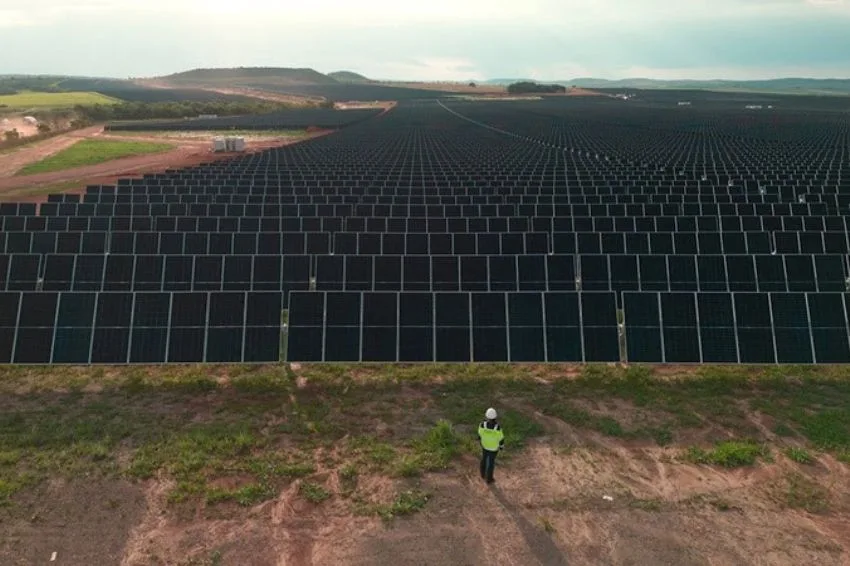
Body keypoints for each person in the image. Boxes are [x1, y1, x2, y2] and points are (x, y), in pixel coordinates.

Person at [478, 407, 504, 484]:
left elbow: (479, 434)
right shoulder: (497, 428)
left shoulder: (482, 425)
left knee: (484, 459)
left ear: (486, 416)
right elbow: (501, 439)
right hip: (493, 448)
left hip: (484, 445)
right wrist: (501, 447)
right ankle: (489, 479)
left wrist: (481, 440)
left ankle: (482, 474)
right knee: (491, 463)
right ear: (495, 417)